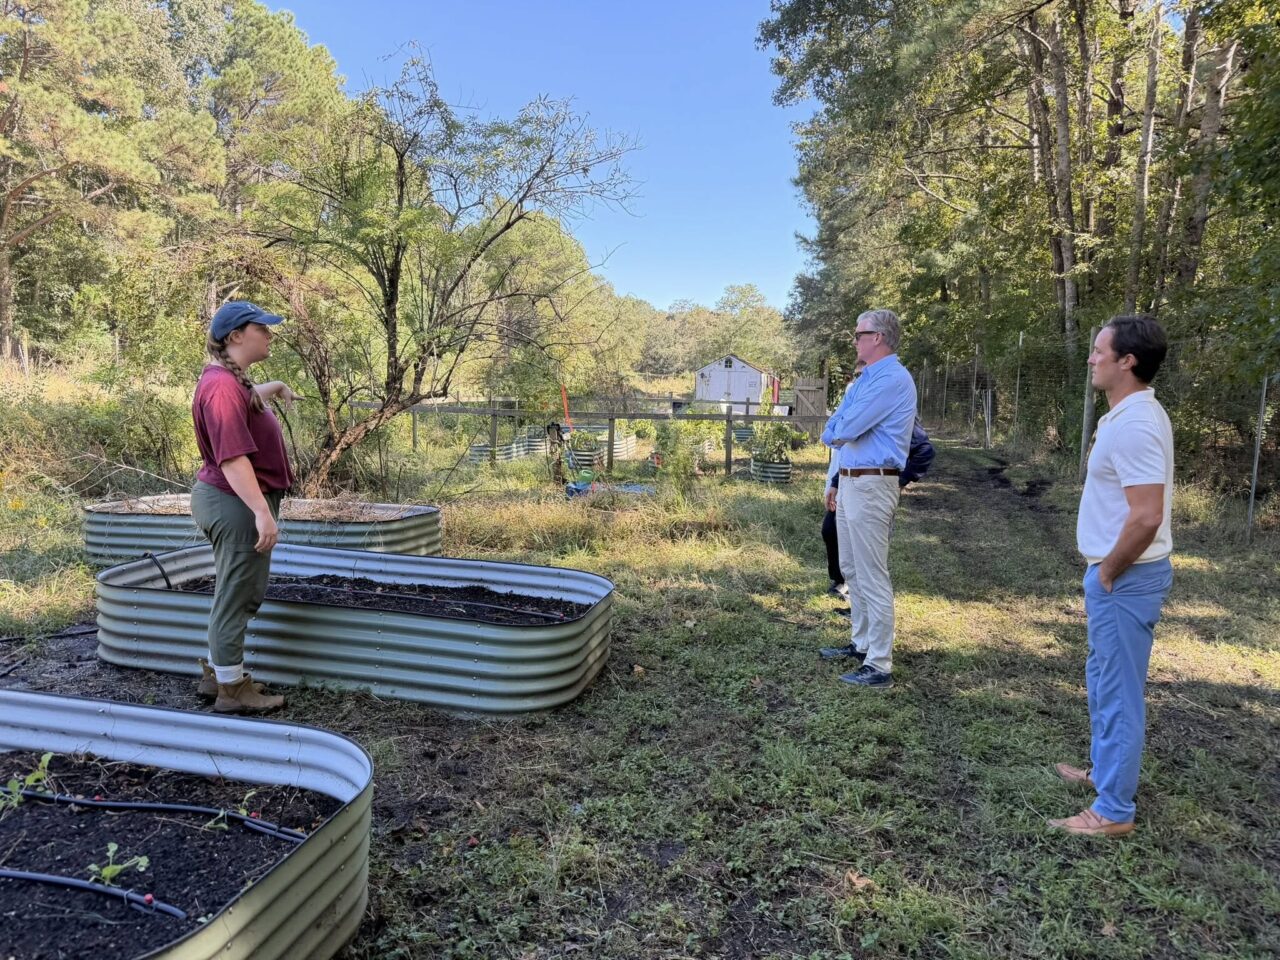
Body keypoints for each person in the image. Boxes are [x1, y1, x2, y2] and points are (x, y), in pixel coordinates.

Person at [1049, 315, 1174, 837]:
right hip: (1115, 576)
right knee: (1102, 680)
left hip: (1126, 578)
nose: (1091, 358)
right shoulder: (1125, 415)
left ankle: (1114, 811)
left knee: (1119, 693)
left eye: (1100, 351)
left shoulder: (1136, 424)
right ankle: (1104, 774)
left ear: (1128, 361)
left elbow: (1147, 516)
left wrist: (1109, 573)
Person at [190, 300, 303, 714]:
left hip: (233, 501)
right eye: (262, 328)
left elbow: (248, 398)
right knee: (238, 596)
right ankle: (232, 691)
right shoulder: (221, 387)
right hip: (235, 503)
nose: (270, 335)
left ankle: (219, 675)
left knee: (233, 591)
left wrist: (277, 386)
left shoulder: (228, 381)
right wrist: (261, 512)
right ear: (236, 336)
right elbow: (233, 459)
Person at [818, 309, 917, 690]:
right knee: (852, 568)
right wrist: (838, 436)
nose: (854, 341)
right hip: (851, 481)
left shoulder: (891, 379)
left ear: (878, 337)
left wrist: (838, 429)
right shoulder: (867, 379)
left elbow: (846, 428)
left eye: (859, 334)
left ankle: (879, 664)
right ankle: (861, 644)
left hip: (873, 483)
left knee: (872, 573)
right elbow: (836, 425)